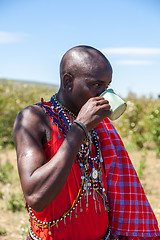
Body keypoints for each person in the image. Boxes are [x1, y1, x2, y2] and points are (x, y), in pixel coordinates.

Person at [13, 45, 160, 240]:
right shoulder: (34, 118)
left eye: (107, 86)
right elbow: (35, 197)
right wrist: (80, 127)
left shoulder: (100, 126)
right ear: (68, 82)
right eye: (96, 85)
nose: (103, 94)